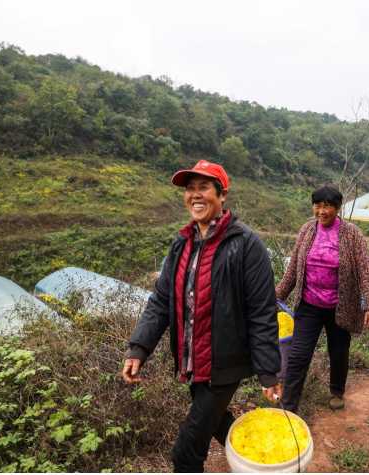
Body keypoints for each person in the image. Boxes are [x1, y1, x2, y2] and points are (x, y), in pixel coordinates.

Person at [121, 160, 281, 473]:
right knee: (220, 423)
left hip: (224, 363)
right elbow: (162, 300)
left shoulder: (247, 246)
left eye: (204, 188)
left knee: (185, 453)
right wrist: (139, 347)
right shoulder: (182, 243)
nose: (195, 195)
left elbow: (262, 311)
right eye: (189, 189)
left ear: (222, 196)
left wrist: (268, 370)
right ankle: (264, 460)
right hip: (192, 360)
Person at [276, 185, 369, 413]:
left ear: (337, 208)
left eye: (327, 206)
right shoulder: (307, 230)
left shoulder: (351, 234)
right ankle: (289, 406)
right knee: (298, 356)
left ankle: (336, 391)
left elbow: (366, 269)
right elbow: (294, 268)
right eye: (317, 205)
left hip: (340, 306)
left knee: (339, 351)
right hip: (308, 304)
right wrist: (277, 296)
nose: (321, 211)